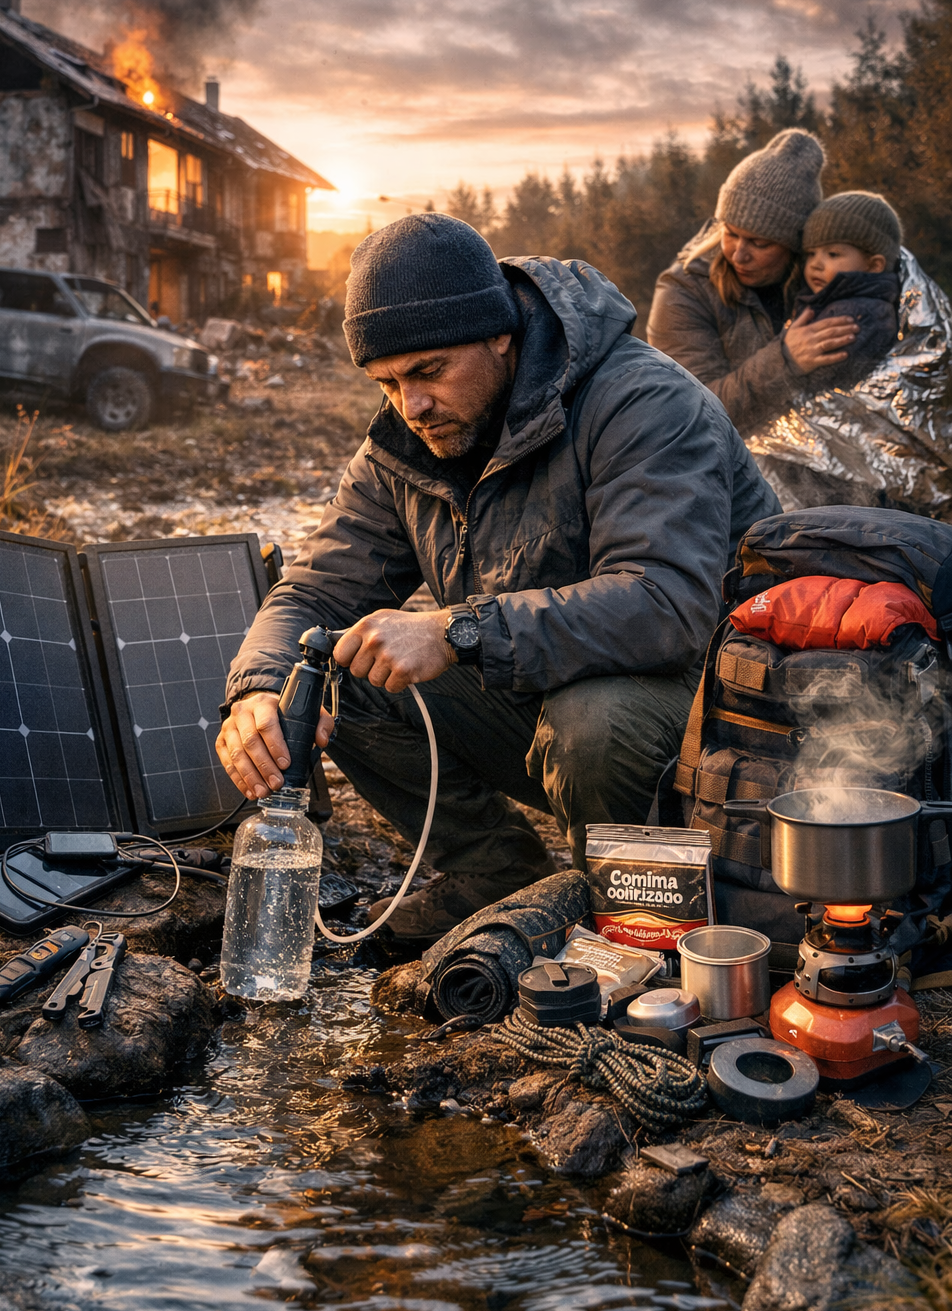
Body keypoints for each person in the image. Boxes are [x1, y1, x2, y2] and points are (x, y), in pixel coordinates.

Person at [216, 214, 780, 942]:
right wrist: (261, 685)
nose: (410, 406)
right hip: (544, 686)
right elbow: (314, 590)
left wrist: (457, 630)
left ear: (501, 334)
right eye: (386, 383)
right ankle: (495, 876)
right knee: (335, 669)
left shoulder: (641, 402)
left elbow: (665, 603)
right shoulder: (408, 443)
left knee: (593, 722)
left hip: (711, 706)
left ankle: (639, 922)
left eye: (428, 372)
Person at [646, 129, 862, 434]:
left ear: (795, 244)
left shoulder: (821, 279)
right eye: (730, 233)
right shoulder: (683, 292)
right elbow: (691, 411)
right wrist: (785, 362)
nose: (738, 255)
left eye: (759, 243)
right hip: (727, 472)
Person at [792, 191, 903, 391]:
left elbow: (820, 381)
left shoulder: (855, 314)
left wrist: (788, 364)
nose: (815, 264)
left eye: (833, 254)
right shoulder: (834, 301)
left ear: (874, 265)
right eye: (811, 253)